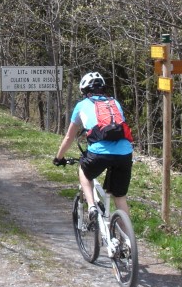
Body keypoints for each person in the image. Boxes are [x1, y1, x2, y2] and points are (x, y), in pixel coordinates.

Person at [53, 71, 134, 222]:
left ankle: (91, 206)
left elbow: (70, 136)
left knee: (84, 170)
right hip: (125, 152)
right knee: (120, 197)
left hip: (99, 153)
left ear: (84, 91)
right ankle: (127, 241)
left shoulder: (81, 105)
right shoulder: (114, 103)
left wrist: (59, 158)